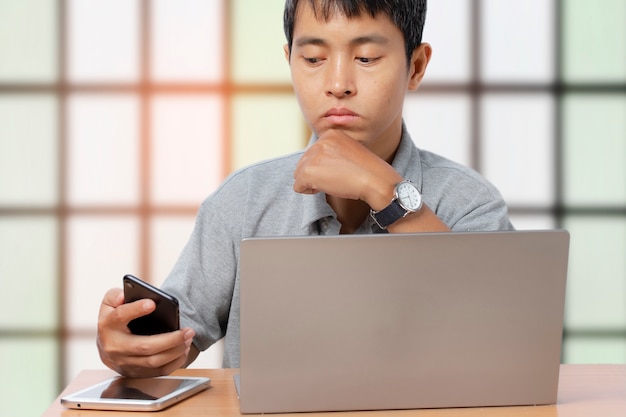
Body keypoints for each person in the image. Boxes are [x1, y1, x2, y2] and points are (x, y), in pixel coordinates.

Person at [97, 0, 514, 377]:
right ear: (290, 61)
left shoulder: (469, 202)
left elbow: (503, 337)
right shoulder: (243, 200)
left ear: (416, 67)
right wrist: (133, 347)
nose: (338, 83)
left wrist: (384, 190)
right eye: (313, 58)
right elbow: (176, 336)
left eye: (366, 57)